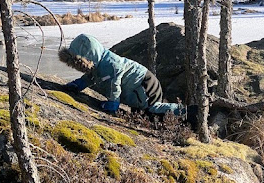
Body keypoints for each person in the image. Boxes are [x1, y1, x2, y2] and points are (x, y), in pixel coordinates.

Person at [58, 33, 187, 120]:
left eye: (77, 62)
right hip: (139, 85)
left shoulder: (111, 64)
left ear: (88, 57)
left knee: (153, 110)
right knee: (143, 116)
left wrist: (113, 103)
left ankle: (189, 112)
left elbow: (115, 84)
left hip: (145, 84)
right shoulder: (98, 63)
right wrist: (78, 84)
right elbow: (91, 77)